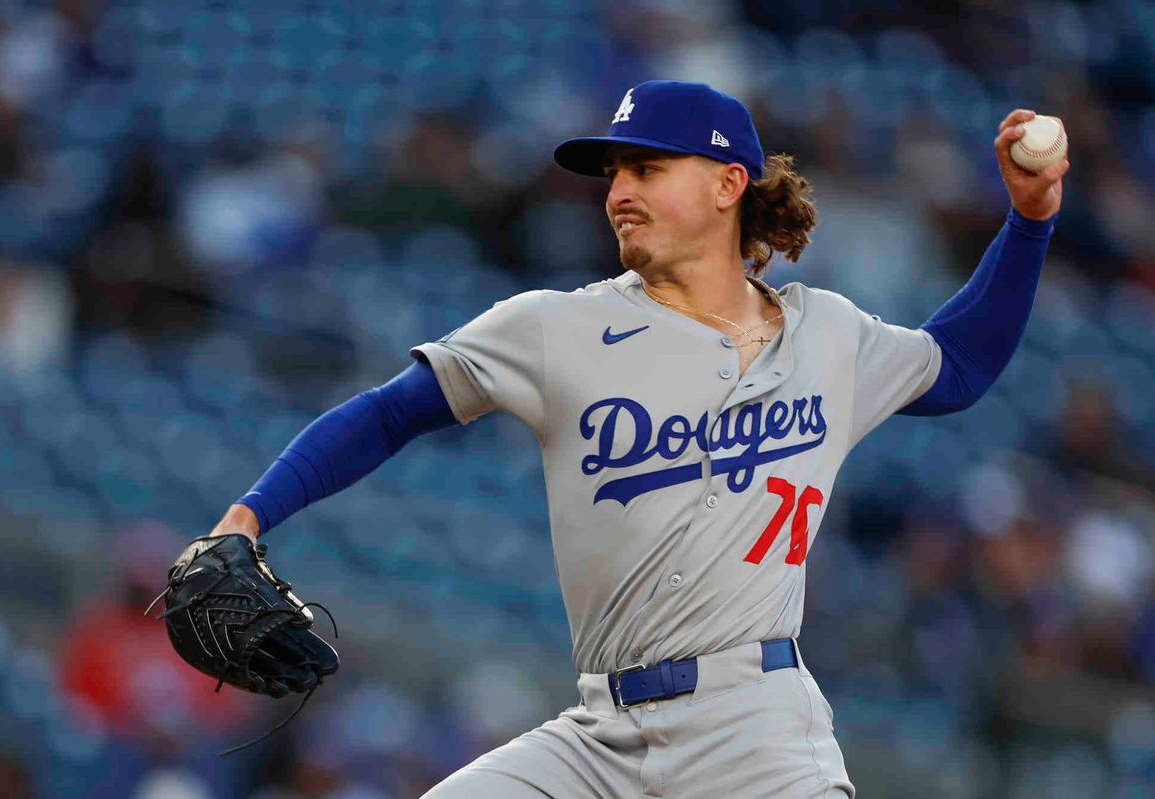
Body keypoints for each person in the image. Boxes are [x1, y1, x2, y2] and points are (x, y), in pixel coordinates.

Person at [204, 80, 1068, 797]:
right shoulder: (556, 328)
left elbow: (958, 364)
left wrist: (1029, 222)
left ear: (728, 184)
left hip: (757, 732)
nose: (618, 191)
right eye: (614, 172)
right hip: (601, 735)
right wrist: (246, 516)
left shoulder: (829, 336)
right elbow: (389, 412)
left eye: (647, 168)